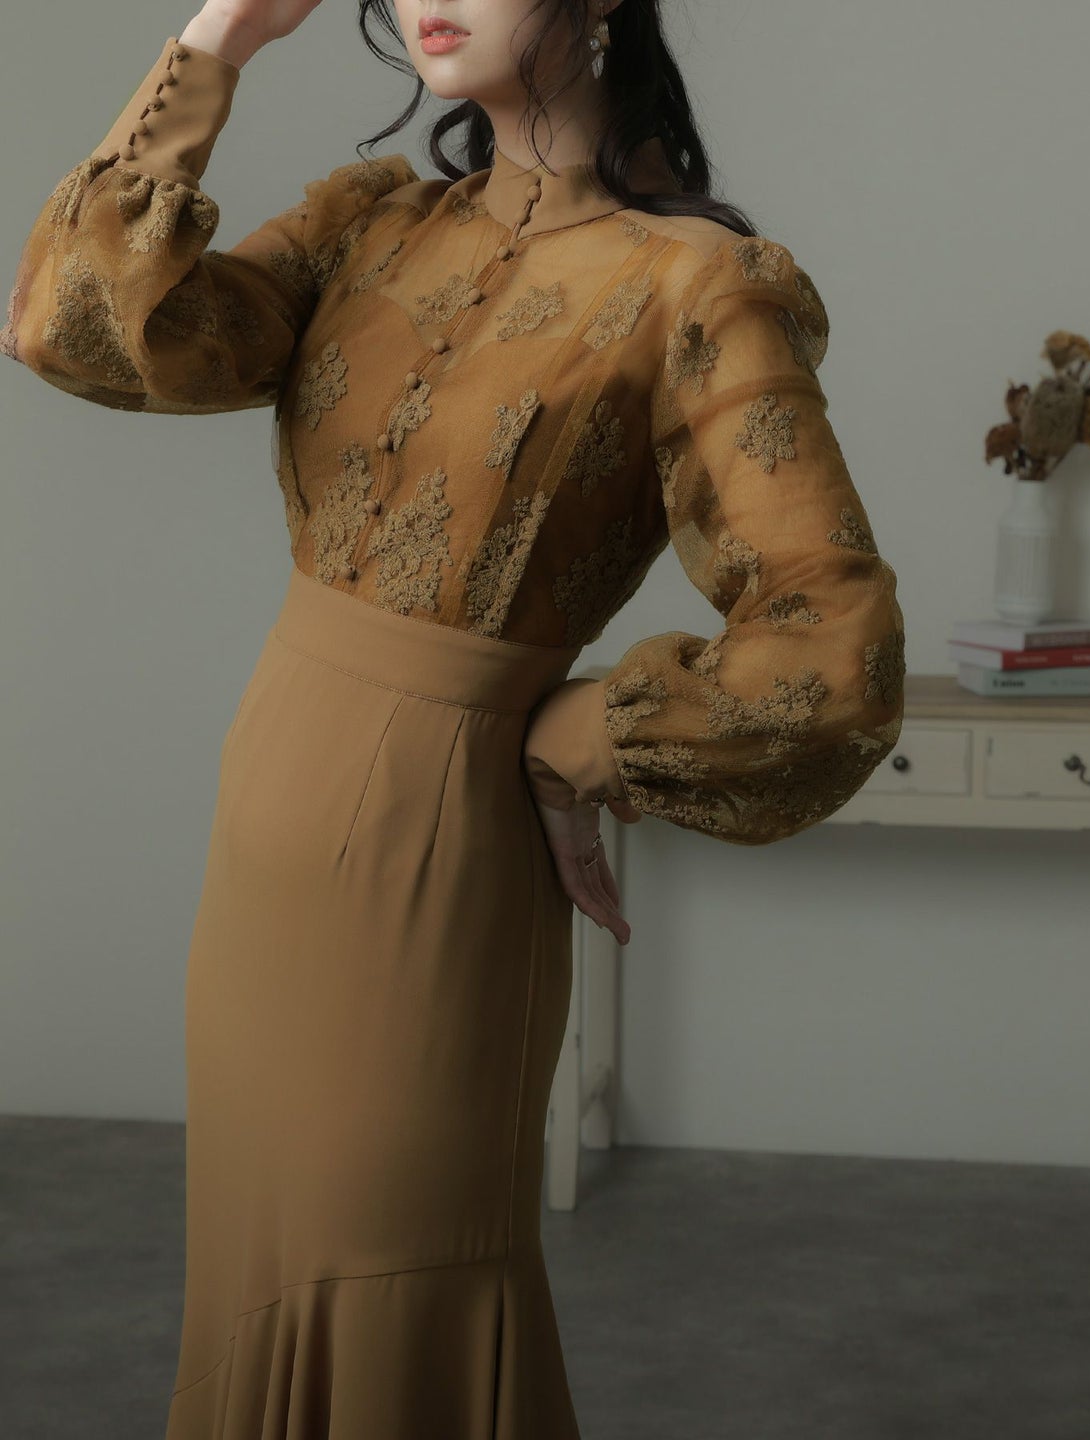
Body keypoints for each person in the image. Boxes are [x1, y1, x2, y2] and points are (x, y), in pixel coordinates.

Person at [2, 0, 906, 1433]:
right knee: (255, 1272)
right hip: (266, 831)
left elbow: (834, 650)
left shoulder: (697, 285)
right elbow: (75, 328)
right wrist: (221, 38)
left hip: (440, 858)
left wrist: (581, 738)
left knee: (396, 1283)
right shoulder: (367, 226)